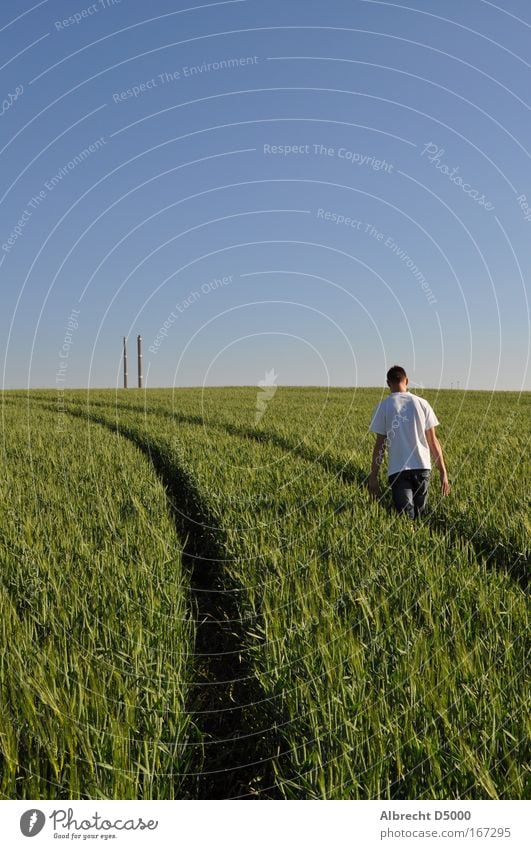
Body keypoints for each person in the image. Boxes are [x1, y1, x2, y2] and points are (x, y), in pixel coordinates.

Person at [368, 365, 450, 519]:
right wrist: (443, 472)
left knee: (406, 520)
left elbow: (380, 445)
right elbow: (433, 442)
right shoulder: (422, 403)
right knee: (420, 517)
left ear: (388, 383)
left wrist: (373, 476)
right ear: (407, 381)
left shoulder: (383, 407)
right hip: (423, 468)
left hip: (398, 470)